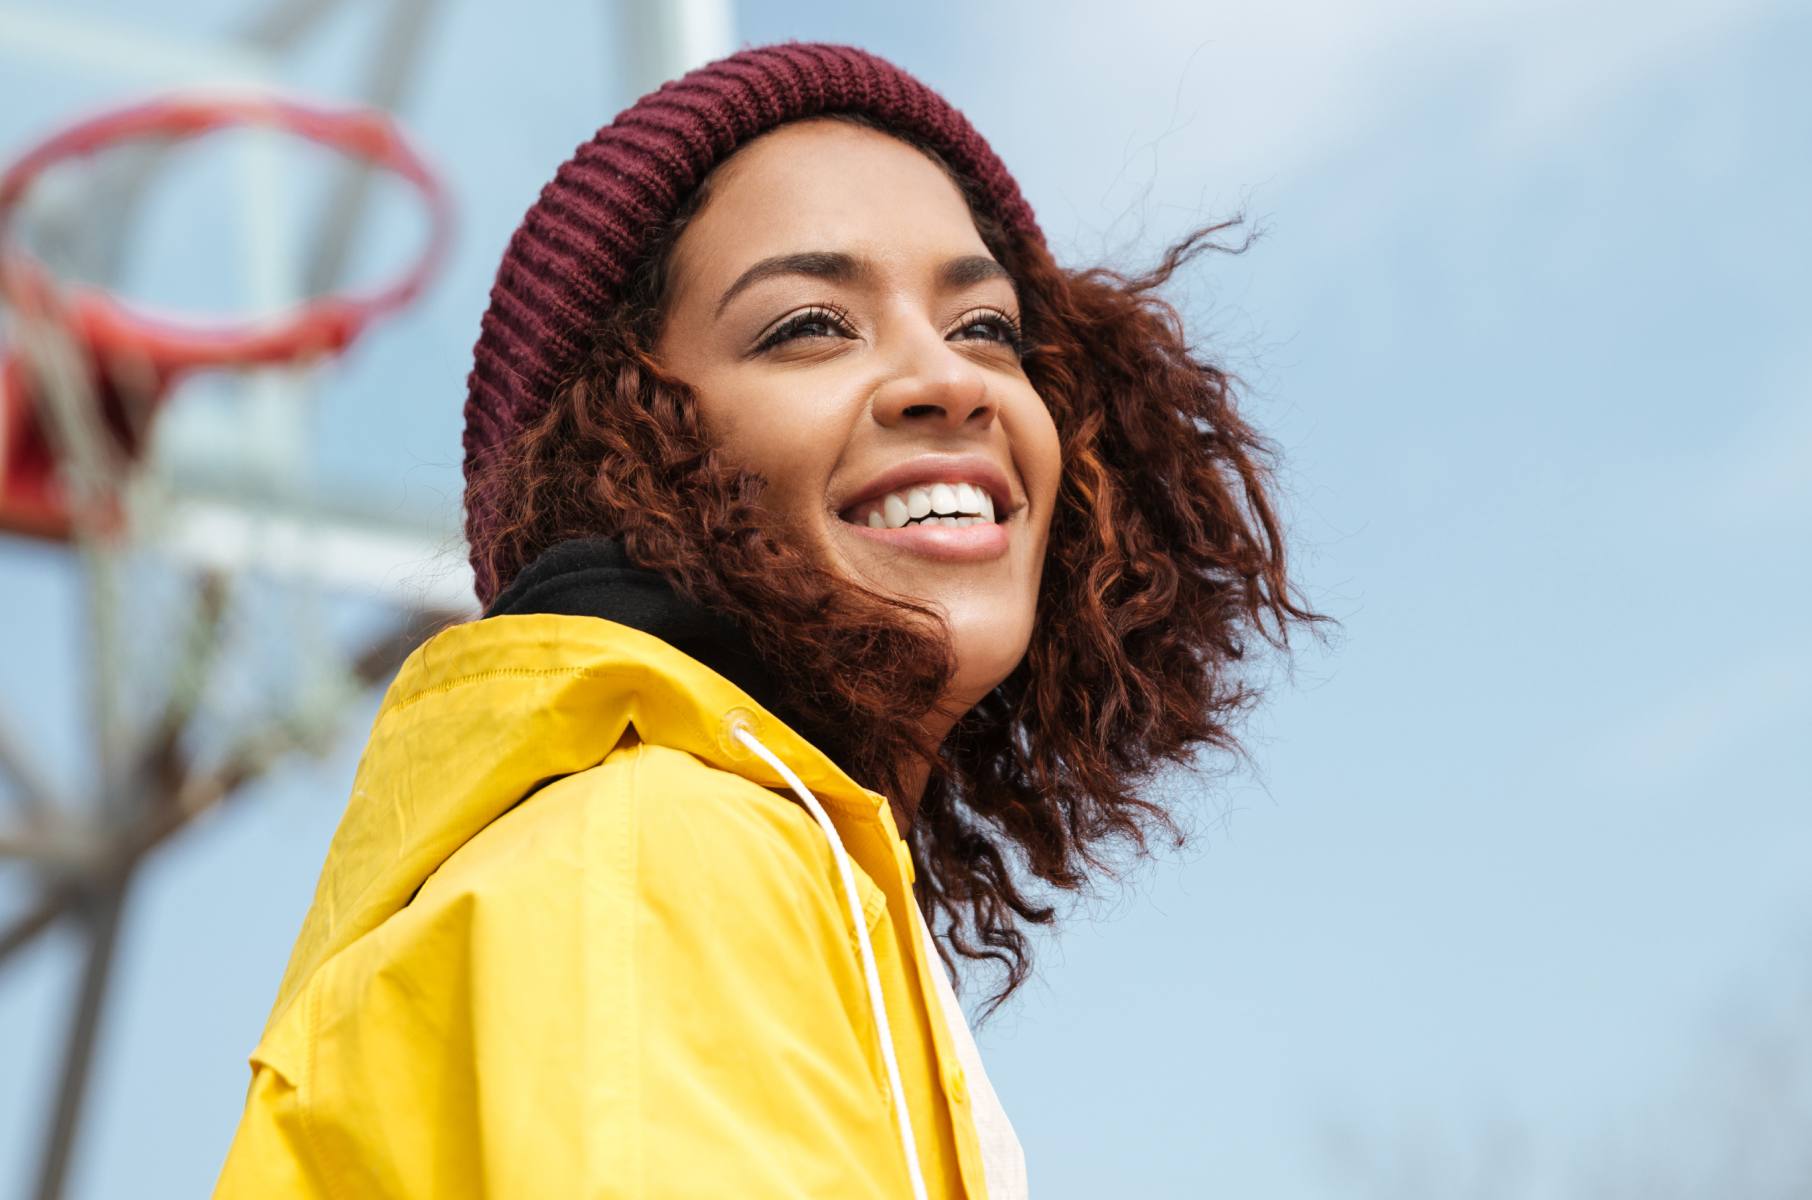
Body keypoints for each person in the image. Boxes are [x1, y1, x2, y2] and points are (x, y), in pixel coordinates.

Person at [213, 40, 1324, 1199]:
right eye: (809, 326)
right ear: (625, 448)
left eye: (985, 327)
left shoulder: (723, 864)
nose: (949, 378)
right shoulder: (659, 859)